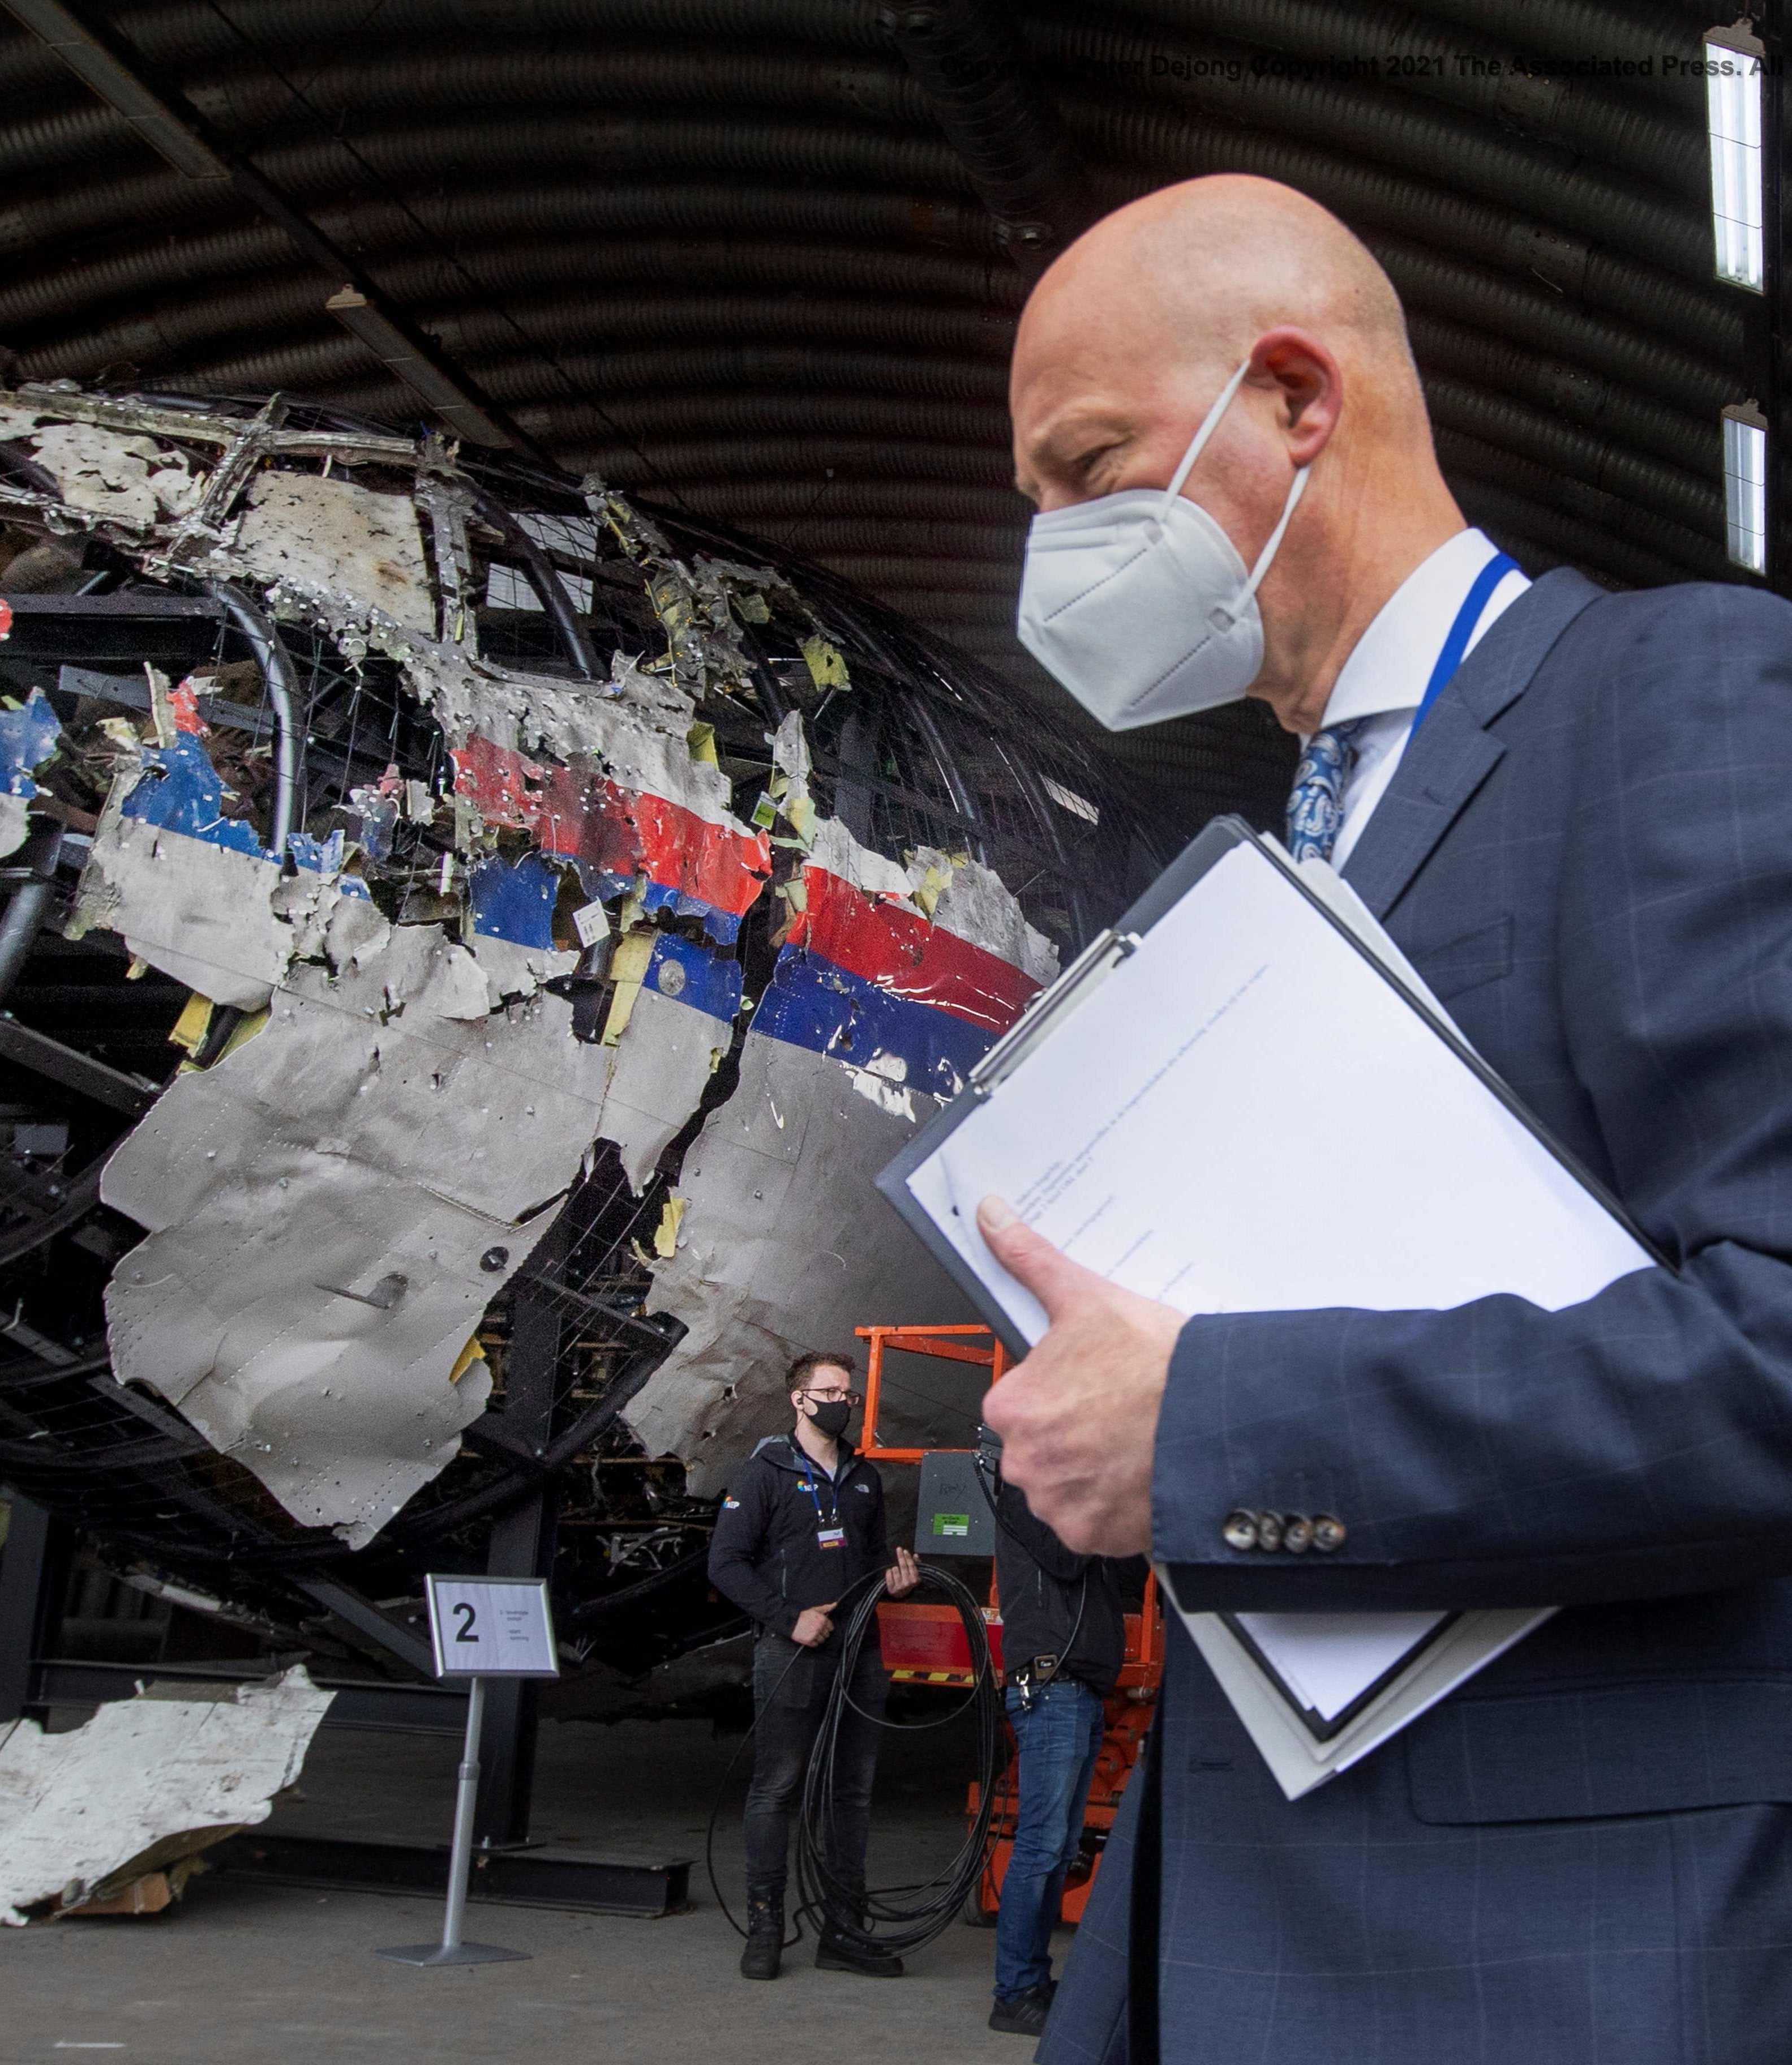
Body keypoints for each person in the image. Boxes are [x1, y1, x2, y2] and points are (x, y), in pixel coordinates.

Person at [989, 173, 1792, 2063]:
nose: (1049, 545)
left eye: (1087, 464)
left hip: (1557, 1956)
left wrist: (1207, 1420)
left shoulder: (1685, 701)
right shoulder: (1276, 860)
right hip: (1229, 1936)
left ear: (1292, 395)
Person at [706, 1349, 921, 1982]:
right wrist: (787, 1616)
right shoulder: (764, 1474)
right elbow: (725, 1564)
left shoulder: (864, 1477)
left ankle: (844, 1929)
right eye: (830, 1391)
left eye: (849, 1394)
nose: (843, 1403)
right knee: (778, 1786)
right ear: (799, 1399)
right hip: (793, 1652)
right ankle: (767, 1923)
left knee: (850, 1793)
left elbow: (874, 1559)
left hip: (861, 1652)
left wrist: (896, 1582)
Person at [979, 1438, 1143, 2038]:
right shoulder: (1028, 1491)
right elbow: (1069, 1558)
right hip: (1052, 1687)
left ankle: (1033, 1981)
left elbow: (1129, 1571)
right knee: (1042, 1848)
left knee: (1057, 1849)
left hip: (1079, 1689)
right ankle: (1015, 1991)